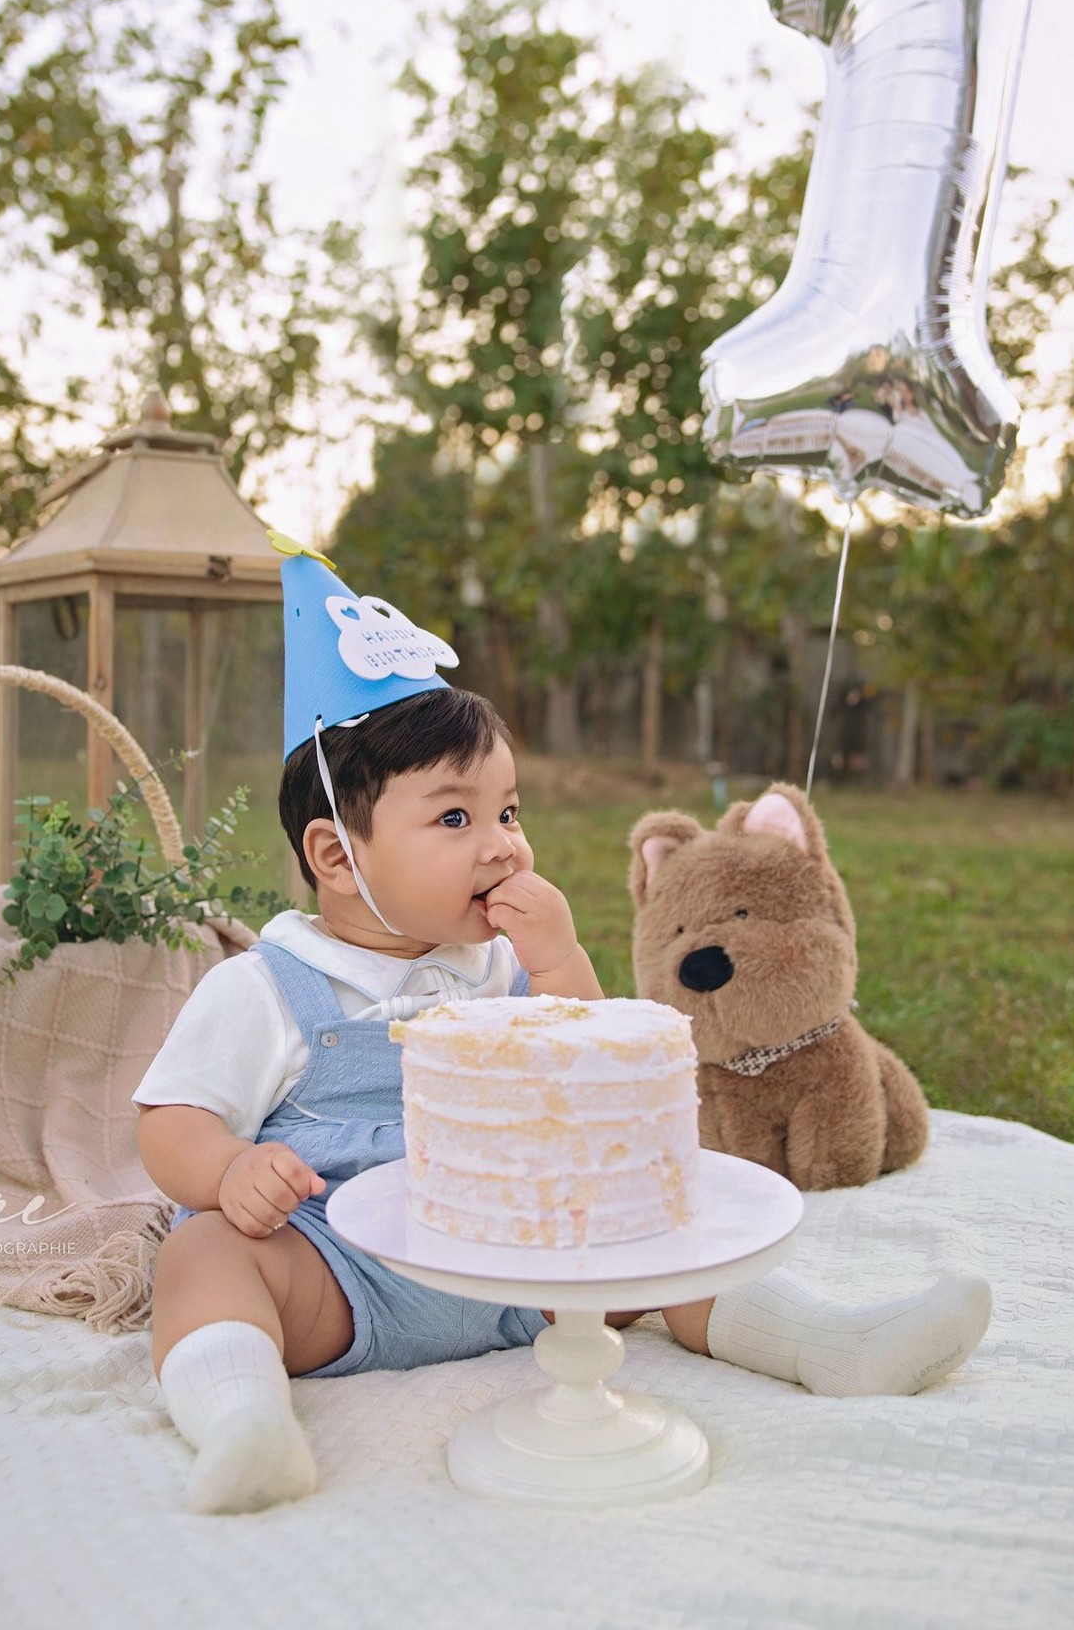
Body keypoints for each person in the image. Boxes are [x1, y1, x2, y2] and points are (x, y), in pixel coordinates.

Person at [134, 553, 992, 1514]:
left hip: (522, 1258)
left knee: (658, 1220)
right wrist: (224, 1172)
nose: (503, 842)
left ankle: (831, 1344)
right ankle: (245, 1420)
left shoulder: (496, 964)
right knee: (203, 1256)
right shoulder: (267, 986)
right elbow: (169, 1121)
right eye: (455, 816)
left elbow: (590, 1056)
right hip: (345, 1273)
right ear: (337, 855)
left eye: (508, 810)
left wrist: (557, 961)